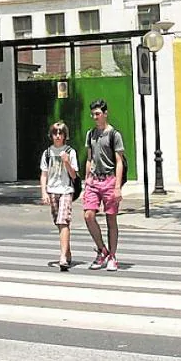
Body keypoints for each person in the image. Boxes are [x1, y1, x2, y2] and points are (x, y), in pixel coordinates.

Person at [82, 99, 125, 271]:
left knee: (111, 219)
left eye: (98, 114)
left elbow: (119, 161)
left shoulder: (114, 134)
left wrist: (117, 186)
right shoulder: (90, 134)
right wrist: (86, 182)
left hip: (109, 180)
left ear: (105, 113)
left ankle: (113, 256)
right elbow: (89, 158)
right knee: (88, 216)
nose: (95, 117)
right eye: (93, 114)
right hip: (94, 180)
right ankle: (102, 250)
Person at [39, 121, 78, 270]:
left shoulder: (70, 151)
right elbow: (44, 174)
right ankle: (67, 251)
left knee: (63, 221)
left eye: (60, 133)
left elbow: (74, 175)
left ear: (65, 136)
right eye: (55, 133)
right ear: (51, 135)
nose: (58, 136)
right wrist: (44, 192)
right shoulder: (47, 153)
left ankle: (62, 257)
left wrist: (67, 162)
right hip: (52, 190)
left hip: (66, 190)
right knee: (59, 222)